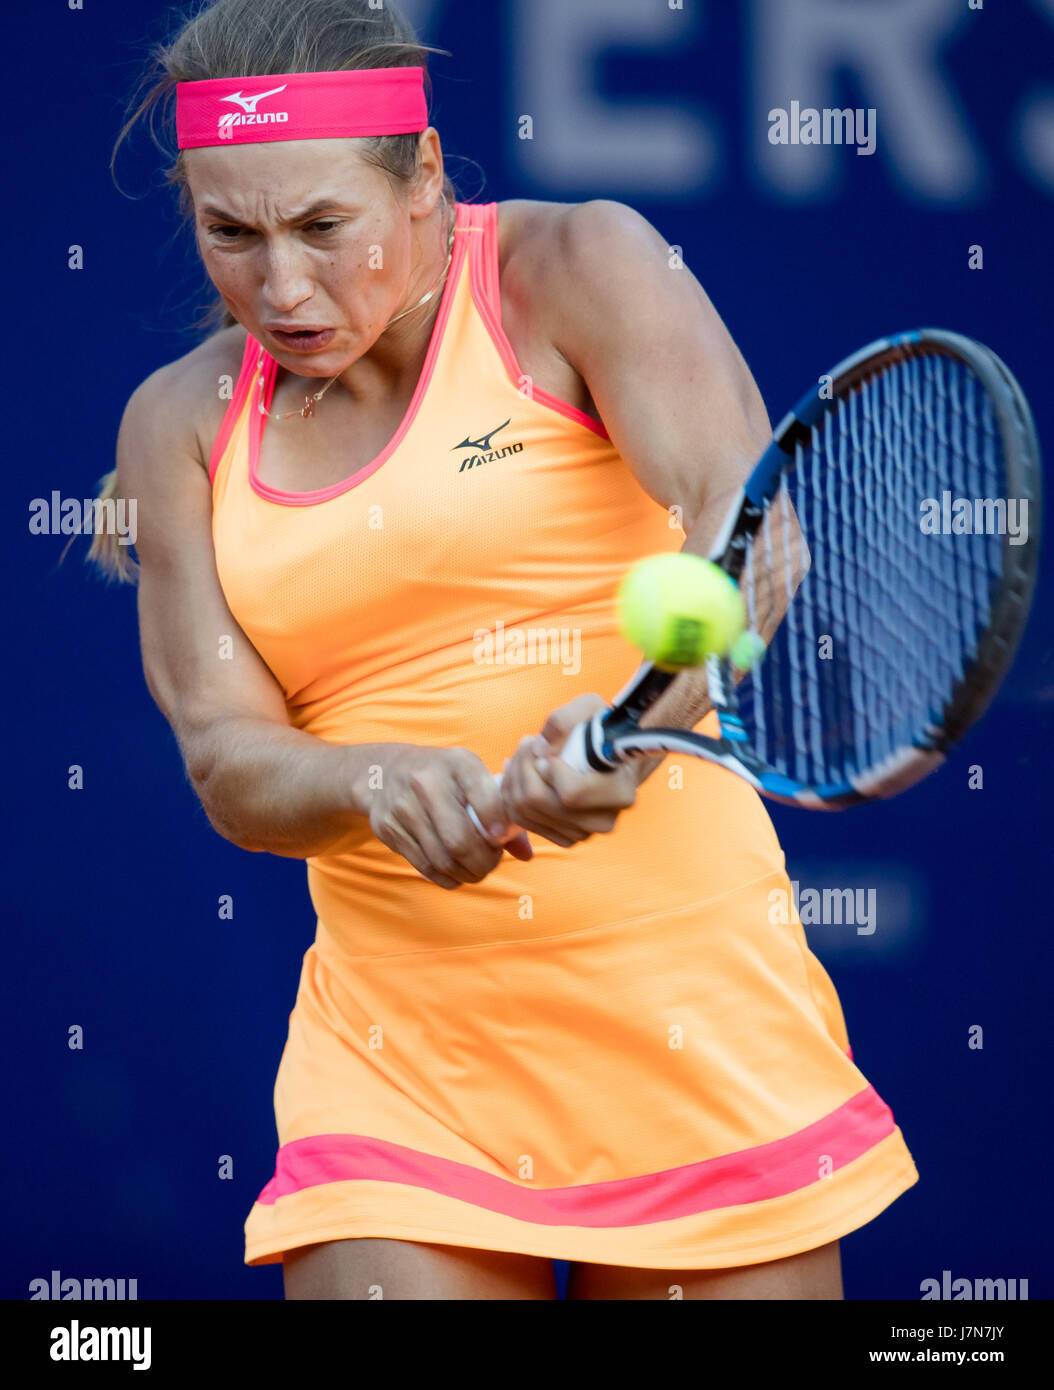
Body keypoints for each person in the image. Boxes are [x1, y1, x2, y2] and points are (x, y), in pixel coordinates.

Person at [92, 0, 918, 1300]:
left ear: (421, 175)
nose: (284, 289)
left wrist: (635, 730)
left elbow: (745, 528)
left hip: (694, 1017)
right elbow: (225, 757)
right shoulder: (176, 424)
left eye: (321, 226)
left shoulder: (579, 263)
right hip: (398, 1060)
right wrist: (374, 780)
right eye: (229, 234)